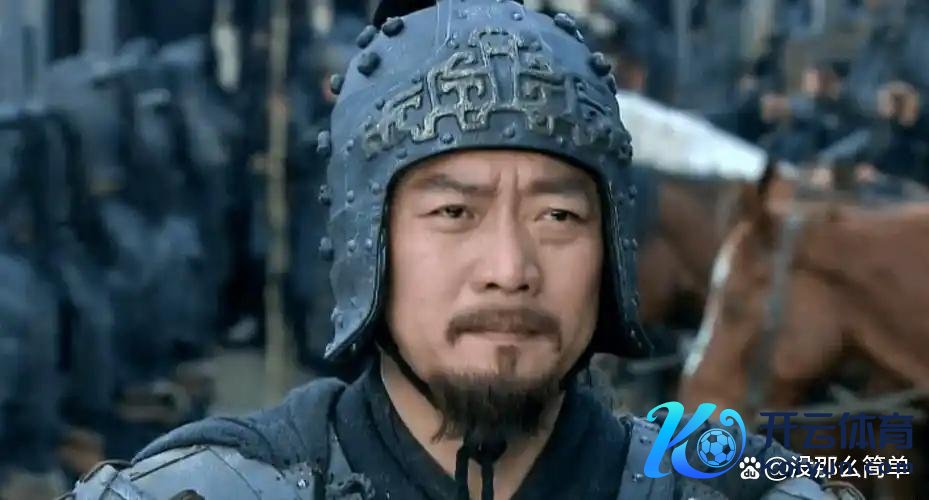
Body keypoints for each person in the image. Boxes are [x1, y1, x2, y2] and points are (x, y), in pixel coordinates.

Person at [65, 1, 864, 499]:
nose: (509, 270)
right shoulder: (215, 490)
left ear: (610, 249)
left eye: (558, 216)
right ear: (369, 237)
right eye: (453, 211)